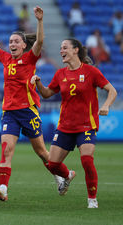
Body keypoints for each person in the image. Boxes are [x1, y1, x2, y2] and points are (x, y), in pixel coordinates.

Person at [0, 7, 63, 201]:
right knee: (6, 149)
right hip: (9, 112)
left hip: (28, 111)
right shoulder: (5, 58)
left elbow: (39, 42)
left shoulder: (30, 59)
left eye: (16, 41)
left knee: (40, 151)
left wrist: (39, 21)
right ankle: (4, 187)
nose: (12, 44)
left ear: (23, 45)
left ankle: (61, 175)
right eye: (11, 41)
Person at [31, 38, 117, 208]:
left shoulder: (91, 72)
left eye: (65, 47)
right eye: (60, 48)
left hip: (86, 125)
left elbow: (112, 90)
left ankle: (92, 199)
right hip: (65, 126)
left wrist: (106, 105)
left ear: (75, 50)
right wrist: (38, 83)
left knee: (86, 160)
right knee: (53, 164)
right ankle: (68, 175)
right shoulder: (60, 74)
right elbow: (48, 93)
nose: (61, 50)